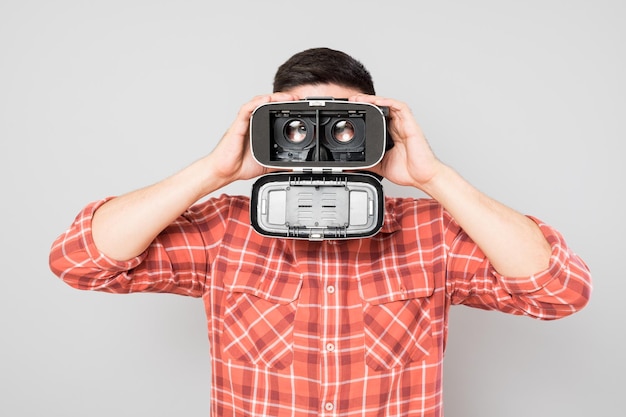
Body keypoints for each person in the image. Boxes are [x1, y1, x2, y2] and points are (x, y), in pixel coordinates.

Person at [49, 47, 592, 417]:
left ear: (378, 129)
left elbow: (558, 291)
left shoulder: (432, 232)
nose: (318, 141)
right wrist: (215, 171)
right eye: (292, 125)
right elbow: (81, 260)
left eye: (345, 124)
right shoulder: (223, 229)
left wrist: (434, 177)